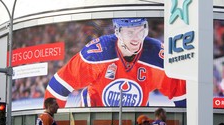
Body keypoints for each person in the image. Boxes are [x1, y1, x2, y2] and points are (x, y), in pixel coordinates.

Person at [44, 18, 186, 108]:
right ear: (118, 32)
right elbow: (58, 86)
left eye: (140, 31)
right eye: (130, 32)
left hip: (136, 115)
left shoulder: (156, 55)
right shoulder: (98, 53)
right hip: (96, 115)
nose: (136, 38)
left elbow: (182, 93)